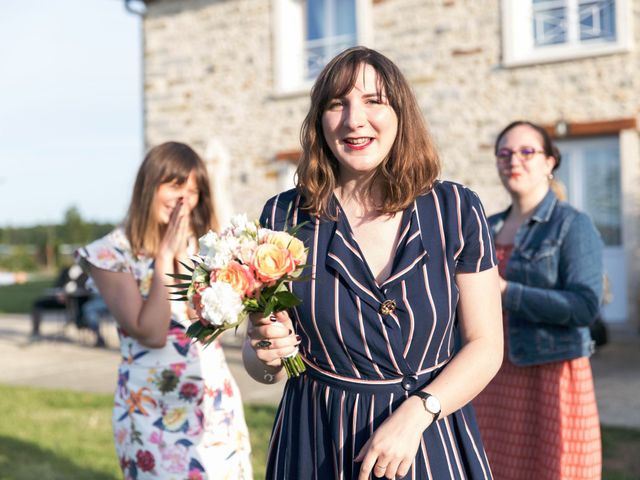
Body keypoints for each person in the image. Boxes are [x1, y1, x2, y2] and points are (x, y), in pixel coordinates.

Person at [242, 46, 503, 479]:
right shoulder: (282, 218)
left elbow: (486, 346)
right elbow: (264, 366)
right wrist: (265, 354)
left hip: (426, 439)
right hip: (317, 442)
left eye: (373, 102)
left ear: (401, 114)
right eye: (336, 104)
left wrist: (420, 412)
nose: (353, 119)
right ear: (319, 121)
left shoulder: (455, 209)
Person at [76, 142, 252, 479]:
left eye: (194, 190)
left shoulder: (205, 248)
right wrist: (164, 256)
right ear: (149, 186)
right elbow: (152, 333)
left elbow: (211, 322)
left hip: (212, 405)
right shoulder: (110, 253)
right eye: (174, 185)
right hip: (150, 408)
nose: (184, 199)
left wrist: (190, 258)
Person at [473, 120, 603, 479]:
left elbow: (585, 306)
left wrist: (505, 291)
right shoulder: (483, 227)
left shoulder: (572, 225)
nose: (514, 160)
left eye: (527, 151)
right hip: (491, 378)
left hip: (551, 376)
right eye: (505, 153)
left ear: (549, 161)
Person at [30, 264, 90, 338]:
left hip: (77, 301)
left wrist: (69, 296)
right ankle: (35, 331)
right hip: (61, 301)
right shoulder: (65, 271)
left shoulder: (86, 274)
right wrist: (59, 294)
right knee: (38, 303)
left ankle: (81, 325)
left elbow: (86, 290)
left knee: (83, 308)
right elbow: (57, 286)